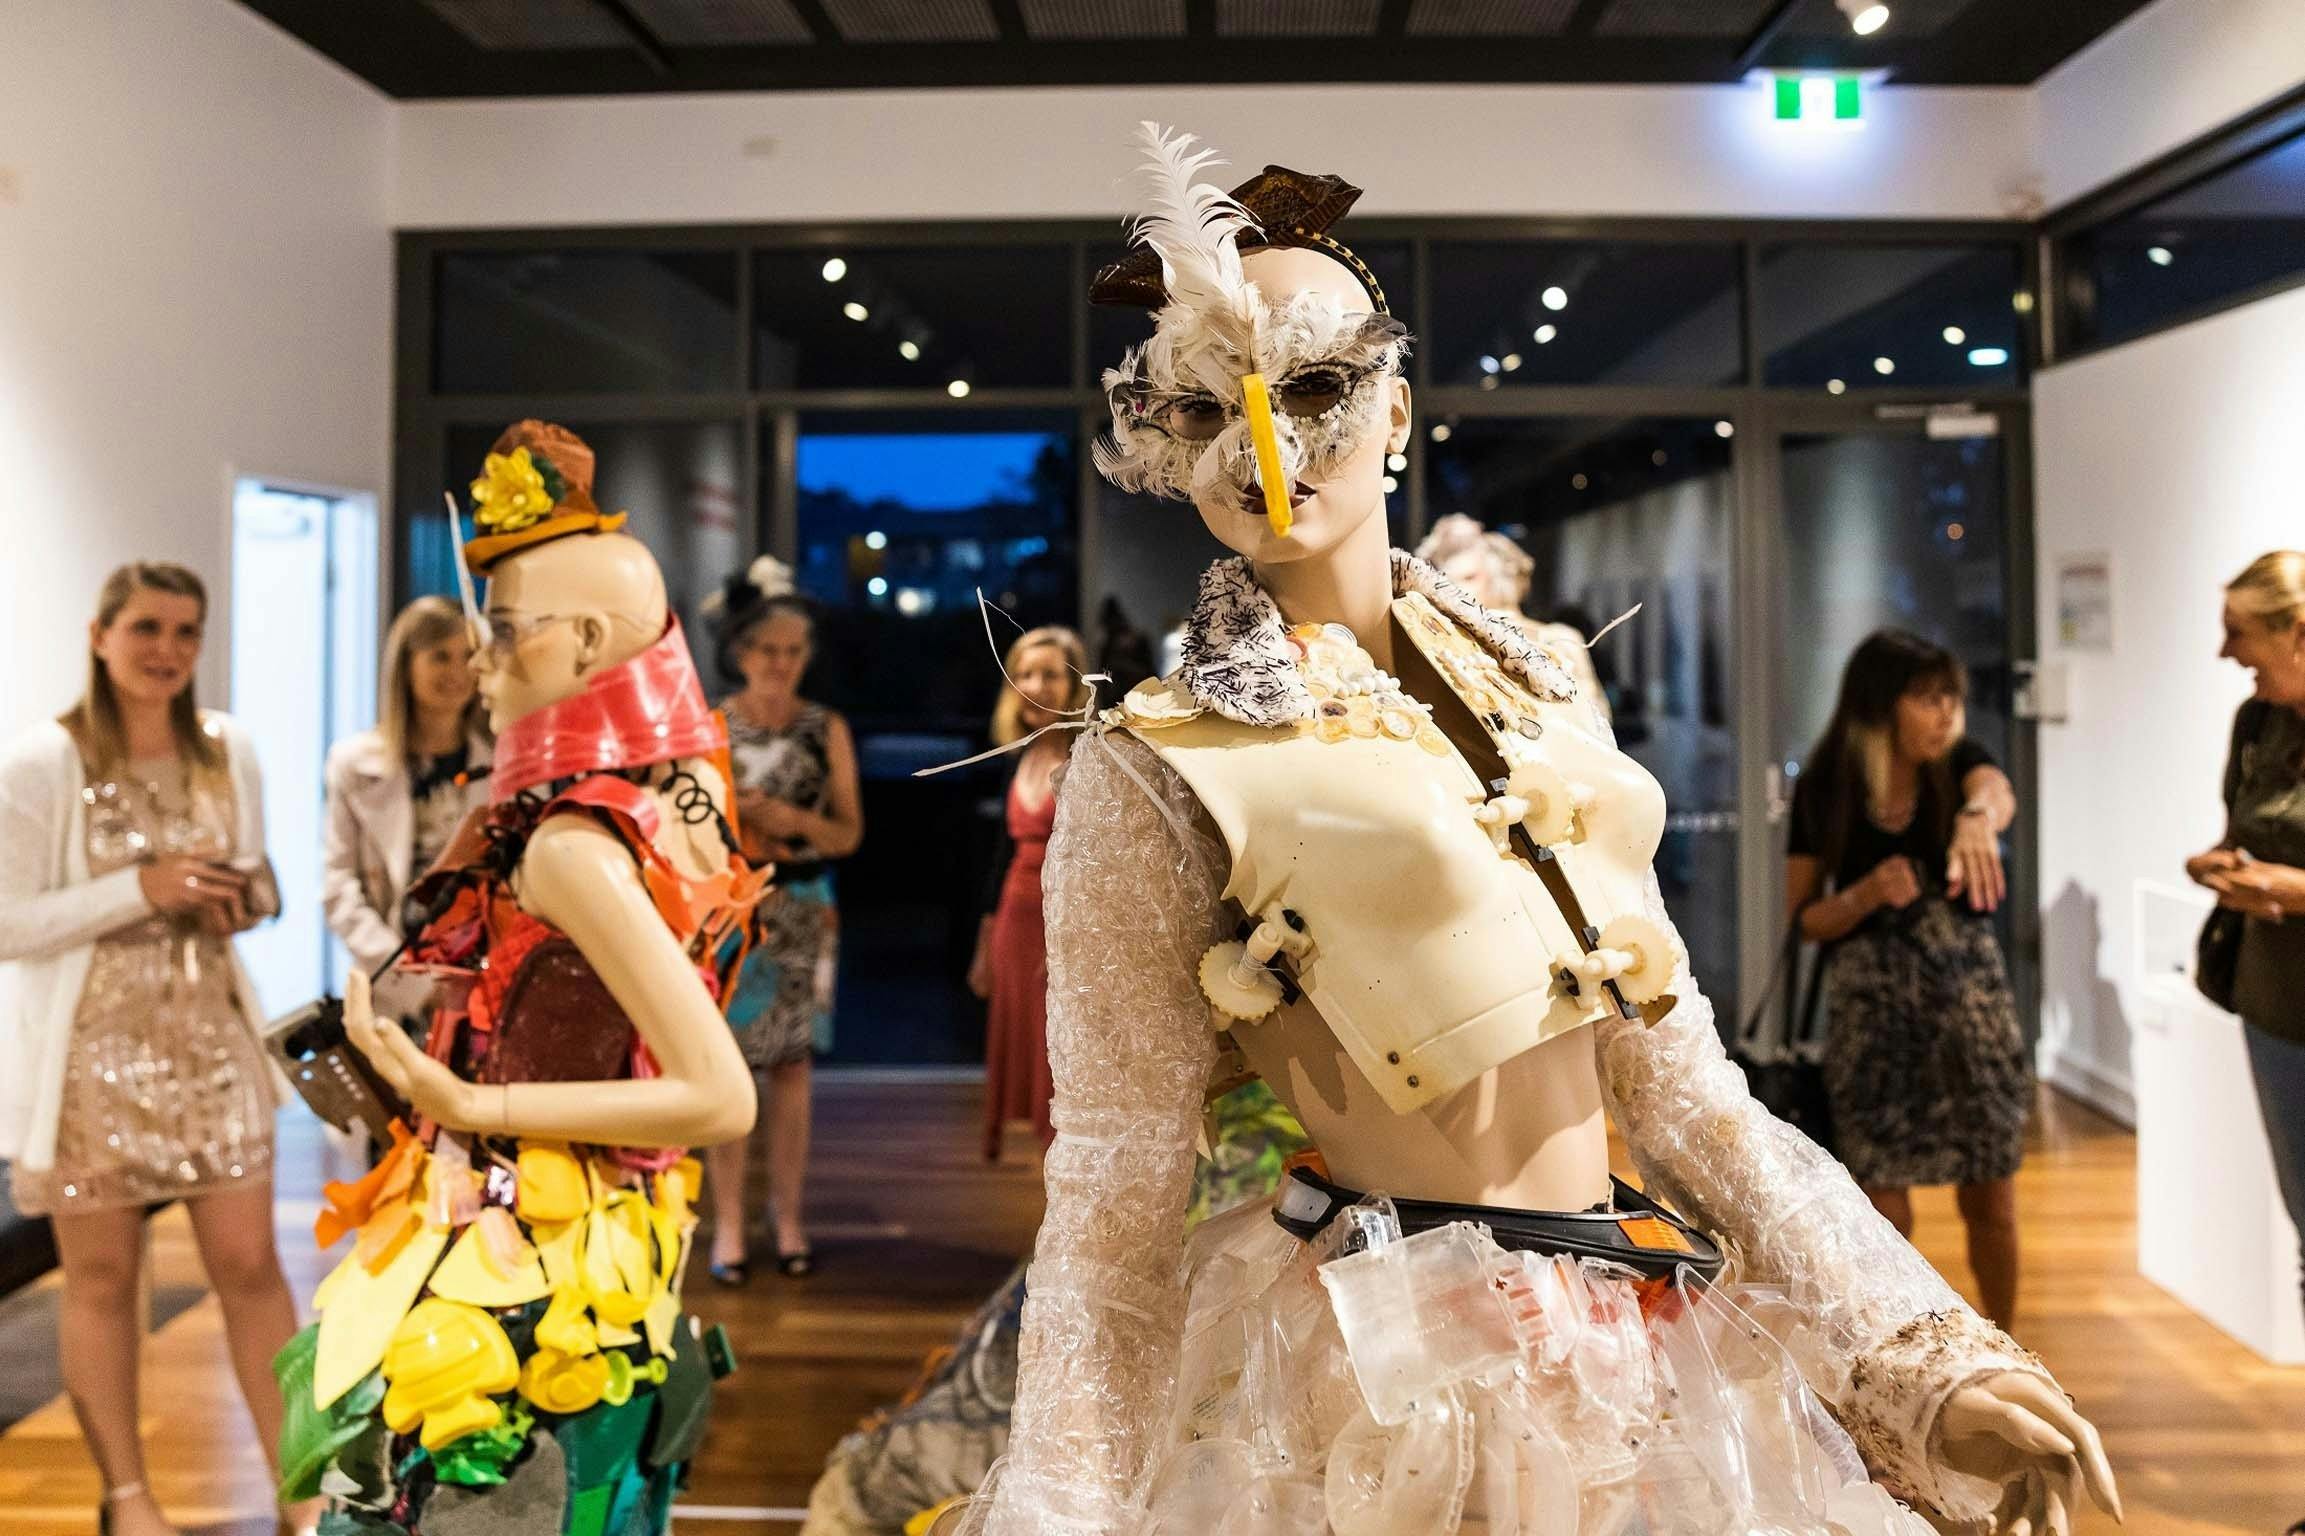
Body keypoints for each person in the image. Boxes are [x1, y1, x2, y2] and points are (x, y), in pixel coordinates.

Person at [943, 129, 2116, 1536]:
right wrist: (1061, 1506)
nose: (1265, 442)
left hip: (1630, 1333)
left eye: (1314, 386)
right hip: (1382, 1384)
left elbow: (1684, 1090)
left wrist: (1905, 1358)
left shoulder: (1545, 684)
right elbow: (1117, 1188)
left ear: (1394, 407)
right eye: (1204, 409)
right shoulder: (1151, 766)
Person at [295, 421, 764, 1532]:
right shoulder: (672, 802)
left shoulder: (569, 844)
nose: (477, 665)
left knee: (481, 1489)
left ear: (590, 643)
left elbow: (720, 1095)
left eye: (503, 635)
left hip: (527, 1245)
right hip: (602, 1229)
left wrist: (466, 1100)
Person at [0, 562, 317, 1536]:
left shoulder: (230, 748)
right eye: (146, 628)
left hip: (212, 1044)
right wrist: (141, 889)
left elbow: (263, 885)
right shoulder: (43, 763)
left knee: (252, 1267)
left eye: (186, 632)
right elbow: (10, 922)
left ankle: (302, 1497)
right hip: (88, 1056)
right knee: (100, 1281)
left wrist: (244, 896)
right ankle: (128, 1499)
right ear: (99, 635)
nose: (166, 652)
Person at [1783, 629, 2030, 1328]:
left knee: (1992, 1191)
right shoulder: (1827, 785)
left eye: (1952, 697)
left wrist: (1978, 820)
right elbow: (1803, 920)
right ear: (1881, 703)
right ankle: (1905, 1343)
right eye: (1927, 698)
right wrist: (1863, 895)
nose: (1947, 714)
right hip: (1872, 1013)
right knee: (1881, 1196)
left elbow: (1994, 787)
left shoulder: (1957, 768)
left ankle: (2008, 1341)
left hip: (1969, 1008)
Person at [703, 556, 863, 1283]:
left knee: (794, 1069)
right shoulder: (710, 726)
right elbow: (685, 829)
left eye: (794, 651)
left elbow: (848, 834)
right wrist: (741, 826)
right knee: (727, 1070)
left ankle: (788, 1216)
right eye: (768, 649)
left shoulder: (824, 727)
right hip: (729, 909)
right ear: (741, 653)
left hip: (802, 907)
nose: (781, 663)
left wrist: (790, 817)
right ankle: (730, 1224)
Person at [2185, 550, 2305, 1328]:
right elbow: (2240, 832)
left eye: (2238, 633)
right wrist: (2219, 866)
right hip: (2277, 1006)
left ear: (2295, 631)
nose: (2226, 653)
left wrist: (2294, 891)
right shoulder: (2256, 723)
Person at [321, 596, 492, 980]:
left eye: (467, 655)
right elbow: (339, 887)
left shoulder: (502, 766)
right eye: (439, 656)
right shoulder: (352, 764)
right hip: (392, 982)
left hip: (481, 975)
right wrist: (406, 977)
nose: (457, 671)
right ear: (406, 664)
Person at [968, 625, 1090, 1159]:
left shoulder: (1092, 755)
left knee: (1058, 1040)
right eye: (1022, 675)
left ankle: (1060, 1158)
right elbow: (995, 860)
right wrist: (983, 944)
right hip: (1014, 918)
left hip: (1065, 918)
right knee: (1020, 1027)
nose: (1034, 686)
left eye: (1049, 674)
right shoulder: (1013, 758)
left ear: (1075, 683)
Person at [1415, 511, 1609, 717]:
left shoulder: (1559, 637)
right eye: (1449, 581)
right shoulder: (1455, 642)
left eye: (1470, 577)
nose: (1458, 589)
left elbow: (1595, 715)